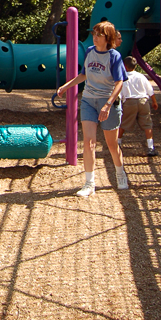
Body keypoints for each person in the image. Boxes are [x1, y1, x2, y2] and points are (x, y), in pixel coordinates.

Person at [57, 21, 129, 197]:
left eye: (99, 35)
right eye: (94, 34)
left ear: (108, 38)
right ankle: (89, 183)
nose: (95, 37)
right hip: (89, 100)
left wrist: (108, 105)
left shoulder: (114, 56)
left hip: (108, 102)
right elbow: (84, 74)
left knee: (111, 145)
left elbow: (120, 82)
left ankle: (120, 173)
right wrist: (66, 86)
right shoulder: (89, 51)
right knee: (89, 143)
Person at [118, 56, 158, 156]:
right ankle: (150, 147)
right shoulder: (141, 76)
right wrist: (154, 102)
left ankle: (118, 143)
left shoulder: (123, 78)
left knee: (123, 123)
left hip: (130, 101)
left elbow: (120, 93)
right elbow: (150, 91)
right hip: (143, 101)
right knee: (147, 123)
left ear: (124, 66)